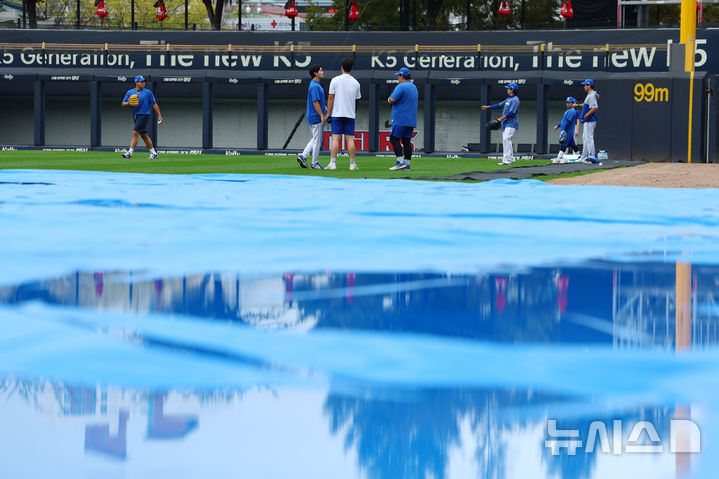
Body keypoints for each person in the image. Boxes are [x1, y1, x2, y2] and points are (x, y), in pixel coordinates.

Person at [325, 57, 361, 171]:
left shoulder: (335, 80)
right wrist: (353, 112)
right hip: (350, 114)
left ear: (341, 67)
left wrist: (328, 113)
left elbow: (331, 97)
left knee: (335, 138)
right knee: (350, 139)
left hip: (337, 114)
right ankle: (352, 164)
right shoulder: (356, 83)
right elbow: (357, 100)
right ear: (351, 68)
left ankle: (333, 163)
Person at [121, 75, 163, 159]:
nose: (143, 83)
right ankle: (154, 153)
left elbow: (154, 104)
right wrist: (129, 102)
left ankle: (130, 153)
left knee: (135, 133)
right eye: (141, 81)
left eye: (144, 81)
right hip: (136, 115)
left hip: (144, 114)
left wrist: (159, 115)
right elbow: (123, 103)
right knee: (144, 135)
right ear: (136, 82)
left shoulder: (148, 92)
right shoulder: (130, 92)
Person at [387, 67, 419, 171]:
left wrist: (389, 99)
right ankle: (407, 165)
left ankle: (400, 162)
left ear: (402, 76)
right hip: (411, 120)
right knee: (406, 141)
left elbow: (392, 99)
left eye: (398, 76)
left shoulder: (401, 86)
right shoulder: (414, 87)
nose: (398, 78)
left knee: (394, 138)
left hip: (400, 119)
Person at [481, 82, 520, 165]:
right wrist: (488, 107)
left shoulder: (515, 100)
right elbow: (499, 105)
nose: (507, 89)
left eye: (508, 88)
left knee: (506, 139)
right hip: (505, 123)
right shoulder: (508, 99)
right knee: (506, 140)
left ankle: (507, 160)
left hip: (512, 123)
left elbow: (512, 113)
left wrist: (500, 119)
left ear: (512, 90)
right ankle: (511, 158)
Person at [297, 64, 327, 169]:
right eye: (321, 70)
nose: (322, 72)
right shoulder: (315, 86)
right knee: (317, 140)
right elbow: (315, 102)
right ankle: (314, 163)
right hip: (316, 117)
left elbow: (318, 102)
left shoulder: (315, 85)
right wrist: (322, 116)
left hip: (314, 116)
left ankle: (303, 156)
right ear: (315, 73)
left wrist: (324, 108)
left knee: (315, 138)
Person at [575, 79, 600, 164]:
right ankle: (584, 156)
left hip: (590, 120)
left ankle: (592, 157)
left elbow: (595, 107)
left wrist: (586, 115)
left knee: (589, 138)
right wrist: (578, 105)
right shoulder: (590, 95)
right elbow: (586, 105)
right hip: (587, 121)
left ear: (589, 86)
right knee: (585, 138)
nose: (584, 86)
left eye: (585, 85)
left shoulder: (592, 95)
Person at [552, 96, 580, 163]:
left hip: (568, 131)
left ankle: (559, 157)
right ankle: (579, 156)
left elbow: (568, 122)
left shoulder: (572, 111)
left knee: (563, 144)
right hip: (567, 131)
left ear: (572, 103)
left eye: (569, 103)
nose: (567, 104)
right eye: (567, 102)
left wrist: (563, 130)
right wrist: (558, 126)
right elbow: (563, 121)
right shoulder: (568, 111)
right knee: (573, 145)